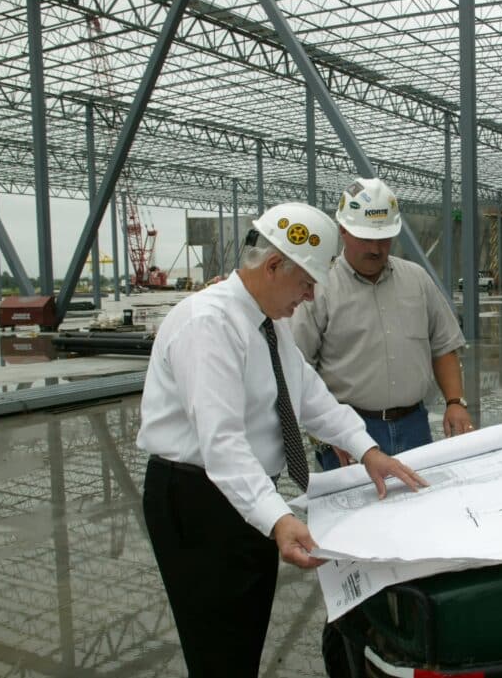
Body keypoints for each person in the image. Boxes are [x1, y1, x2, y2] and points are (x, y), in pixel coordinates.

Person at [138, 202, 427, 678]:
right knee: (218, 646)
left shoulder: (267, 323)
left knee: (243, 634)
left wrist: (366, 448)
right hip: (199, 501)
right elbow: (223, 443)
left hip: (243, 496)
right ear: (273, 266)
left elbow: (308, 394)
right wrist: (277, 519)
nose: (311, 296)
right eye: (307, 283)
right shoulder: (208, 326)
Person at [291, 177, 473, 472]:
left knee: (419, 513)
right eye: (366, 238)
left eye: (384, 238)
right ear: (343, 231)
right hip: (348, 431)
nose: (376, 248)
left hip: (415, 427)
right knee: (355, 517)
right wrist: (322, 432)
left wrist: (455, 401)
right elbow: (297, 368)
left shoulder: (417, 280)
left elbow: (444, 346)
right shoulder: (319, 289)